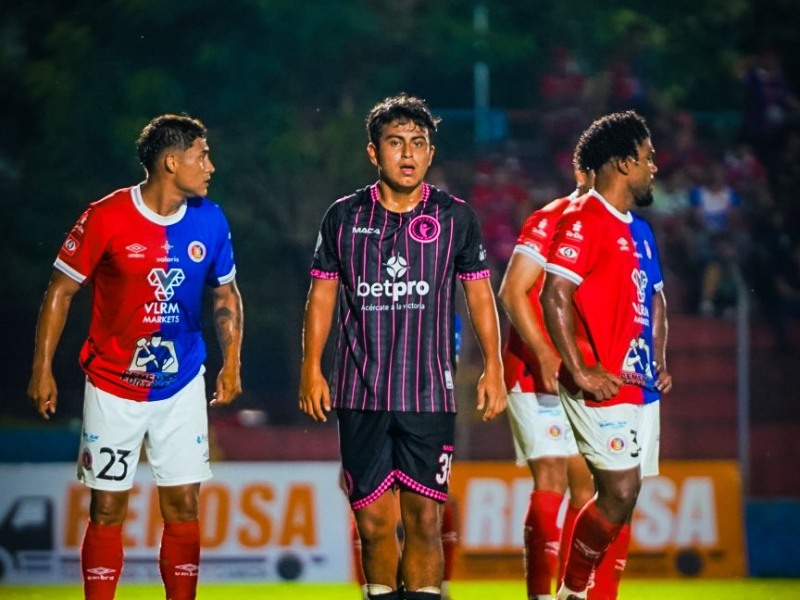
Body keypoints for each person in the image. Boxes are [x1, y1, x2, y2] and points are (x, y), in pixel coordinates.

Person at [27, 114, 244, 600]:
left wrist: (232, 363)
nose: (210, 166)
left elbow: (226, 296)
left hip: (182, 381)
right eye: (201, 155)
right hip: (111, 383)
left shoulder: (210, 218)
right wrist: (42, 369)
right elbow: (61, 292)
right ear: (171, 162)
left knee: (185, 504)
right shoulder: (105, 216)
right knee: (106, 508)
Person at [299, 93, 506, 600]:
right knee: (371, 524)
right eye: (396, 143)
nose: (408, 153)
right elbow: (321, 295)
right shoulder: (343, 217)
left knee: (424, 520)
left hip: (428, 395)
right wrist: (311, 368)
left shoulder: (455, 217)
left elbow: (479, 295)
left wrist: (494, 367)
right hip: (359, 393)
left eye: (418, 143)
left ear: (431, 153)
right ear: (374, 153)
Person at [540, 111, 672, 600]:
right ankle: (572, 591)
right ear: (622, 163)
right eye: (647, 157)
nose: (654, 166)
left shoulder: (640, 230)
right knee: (618, 492)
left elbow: (655, 298)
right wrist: (580, 369)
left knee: (625, 497)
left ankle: (591, 592)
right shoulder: (583, 218)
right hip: (601, 379)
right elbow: (554, 294)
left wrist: (659, 359)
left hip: (638, 382)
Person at [497, 160, 596, 600]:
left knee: (588, 483)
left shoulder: (612, 229)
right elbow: (512, 291)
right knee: (552, 475)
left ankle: (572, 591)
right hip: (534, 370)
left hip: (579, 371)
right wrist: (544, 354)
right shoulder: (549, 218)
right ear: (586, 173)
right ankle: (539, 594)